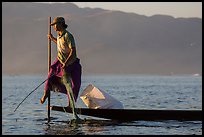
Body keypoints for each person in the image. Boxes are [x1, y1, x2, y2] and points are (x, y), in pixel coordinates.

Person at [40, 17, 82, 120]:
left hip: (71, 63)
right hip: (60, 61)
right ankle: (45, 94)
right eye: (53, 25)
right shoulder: (59, 36)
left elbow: (72, 51)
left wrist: (66, 63)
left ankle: (70, 104)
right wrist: (52, 38)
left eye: (55, 24)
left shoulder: (68, 36)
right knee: (50, 77)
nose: (54, 26)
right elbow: (59, 44)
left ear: (60, 24)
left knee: (73, 85)